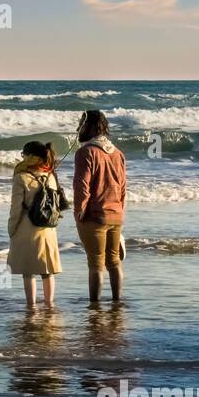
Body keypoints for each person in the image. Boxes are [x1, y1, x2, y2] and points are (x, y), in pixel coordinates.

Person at [72, 111, 126, 302]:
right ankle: (116, 302)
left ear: (91, 127)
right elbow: (122, 188)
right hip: (116, 214)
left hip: (95, 216)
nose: (79, 128)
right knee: (114, 262)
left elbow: (82, 187)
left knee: (95, 264)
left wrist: (79, 211)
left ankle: (94, 306)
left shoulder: (85, 153)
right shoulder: (118, 153)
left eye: (82, 124)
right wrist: (121, 211)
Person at [7, 140, 63, 308]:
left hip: (27, 228)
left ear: (30, 156)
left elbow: (15, 208)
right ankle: (49, 304)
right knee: (47, 271)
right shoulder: (51, 175)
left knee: (28, 272)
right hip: (48, 228)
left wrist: (12, 228)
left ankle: (31, 307)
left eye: (23, 154)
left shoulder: (21, 177)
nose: (22, 158)